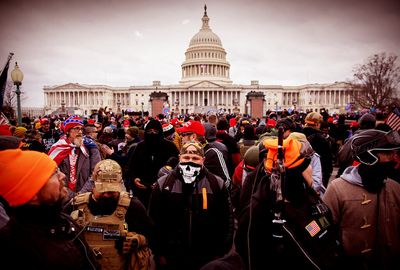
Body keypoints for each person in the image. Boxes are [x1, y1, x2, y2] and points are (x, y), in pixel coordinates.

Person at [235, 137, 342, 270]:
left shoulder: (308, 196)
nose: (311, 169)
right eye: (307, 165)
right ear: (295, 174)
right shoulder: (258, 214)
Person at [0, 149, 98, 269]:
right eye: (53, 173)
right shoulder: (16, 248)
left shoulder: (62, 220)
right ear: (32, 193)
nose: (62, 176)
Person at [148, 141, 234, 270]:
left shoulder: (216, 184)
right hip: (172, 256)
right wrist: (158, 252)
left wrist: (221, 252)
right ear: (179, 158)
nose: (190, 161)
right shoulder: (163, 184)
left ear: (203, 160)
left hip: (207, 256)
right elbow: (154, 219)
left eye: (195, 158)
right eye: (186, 157)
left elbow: (226, 219)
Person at [323, 129, 400, 269]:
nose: (394, 158)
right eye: (388, 153)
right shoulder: (337, 189)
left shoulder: (396, 189)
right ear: (370, 156)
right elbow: (320, 230)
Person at [71, 159, 153, 270]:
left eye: (111, 191)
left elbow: (152, 236)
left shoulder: (132, 206)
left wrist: (137, 240)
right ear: (93, 184)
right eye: (102, 190)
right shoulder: (76, 205)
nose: (106, 195)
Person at [127, 119, 179, 207]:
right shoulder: (140, 146)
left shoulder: (170, 146)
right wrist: (135, 178)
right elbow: (133, 165)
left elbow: (176, 166)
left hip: (163, 190)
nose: (152, 134)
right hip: (142, 189)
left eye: (155, 131)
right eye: (150, 131)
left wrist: (162, 183)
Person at [48, 115, 101, 202]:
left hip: (85, 197)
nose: (80, 132)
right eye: (76, 128)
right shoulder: (58, 148)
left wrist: (81, 194)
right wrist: (70, 195)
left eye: (81, 129)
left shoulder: (89, 148)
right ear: (68, 131)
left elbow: (96, 172)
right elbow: (52, 174)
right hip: (64, 198)